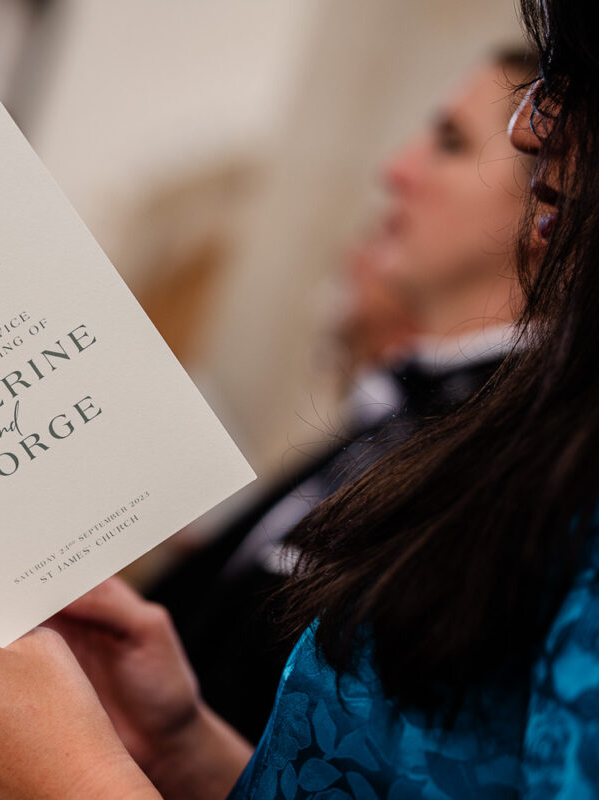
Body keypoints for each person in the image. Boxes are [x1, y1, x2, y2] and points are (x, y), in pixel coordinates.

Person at [0, 0, 599, 796]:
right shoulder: (532, 431)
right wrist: (186, 750)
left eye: (579, 79)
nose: (533, 124)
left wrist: (65, 780)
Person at [150, 49, 537, 743]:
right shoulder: (411, 409)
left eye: (451, 143)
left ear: (554, 207)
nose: (396, 171)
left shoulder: (511, 458)